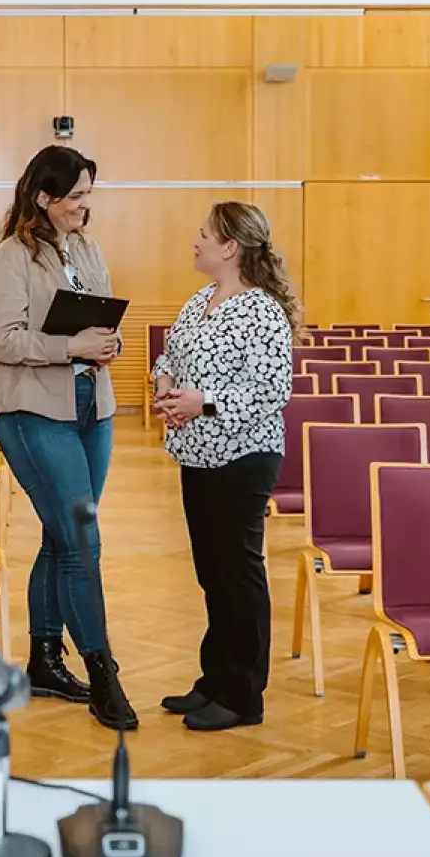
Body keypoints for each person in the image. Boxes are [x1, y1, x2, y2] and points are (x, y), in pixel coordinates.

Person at [0, 145, 138, 731]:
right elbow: (2, 340)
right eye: (76, 196)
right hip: (31, 411)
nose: (85, 205)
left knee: (60, 536)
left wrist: (107, 343)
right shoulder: (10, 258)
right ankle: (103, 671)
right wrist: (71, 348)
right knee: (81, 542)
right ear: (44, 197)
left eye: (89, 194)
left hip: (90, 405)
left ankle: (45, 660)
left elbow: (96, 319)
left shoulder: (87, 248)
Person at [152, 201, 297, 731]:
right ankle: (214, 680)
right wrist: (166, 386)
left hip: (243, 456)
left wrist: (201, 402)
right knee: (212, 574)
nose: (196, 241)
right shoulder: (200, 300)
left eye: (204, 234)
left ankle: (243, 696)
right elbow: (169, 356)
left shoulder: (261, 311)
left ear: (230, 248)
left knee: (238, 576)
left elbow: (270, 391)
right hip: (197, 454)